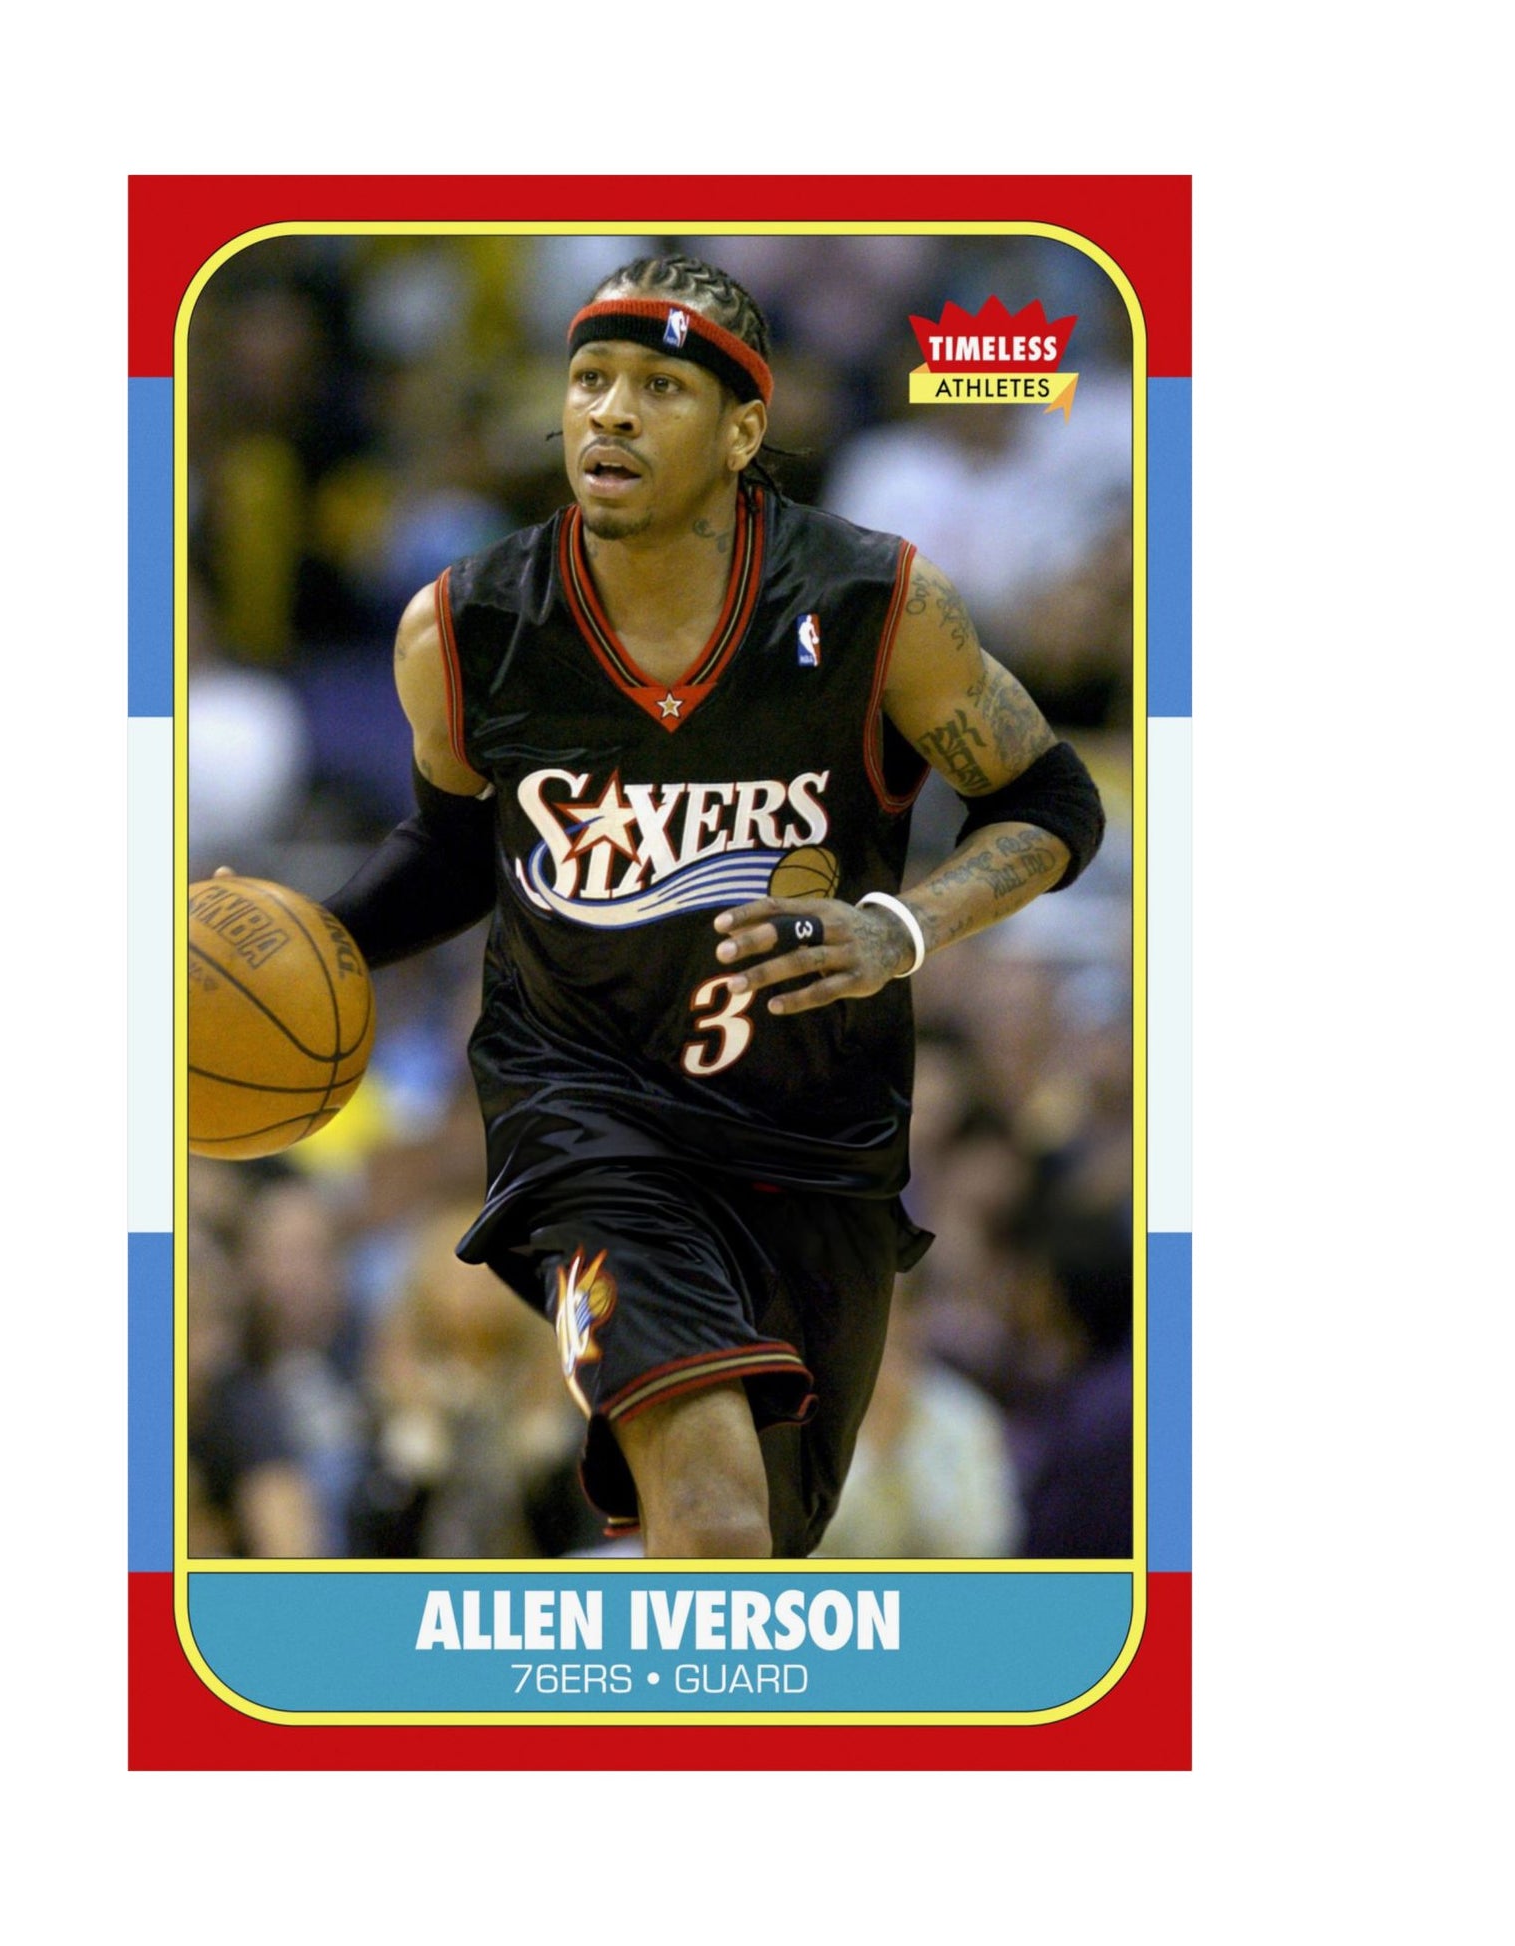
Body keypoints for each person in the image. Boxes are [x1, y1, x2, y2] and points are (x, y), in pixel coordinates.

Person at [316, 254, 1105, 1558]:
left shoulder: (874, 604)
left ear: (743, 432)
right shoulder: (465, 628)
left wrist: (899, 929)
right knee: (718, 1518)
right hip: (587, 1123)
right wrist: (319, 940)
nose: (611, 411)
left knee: (765, 1543)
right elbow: (456, 852)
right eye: (589, 379)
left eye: (659, 386)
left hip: (819, 1135)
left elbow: (1051, 799)